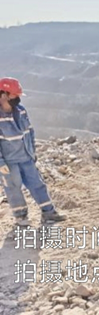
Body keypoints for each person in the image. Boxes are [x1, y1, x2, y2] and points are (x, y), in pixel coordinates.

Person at [0, 77, 66, 226]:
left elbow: (30, 132)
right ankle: (21, 218)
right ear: (3, 94)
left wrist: (32, 152)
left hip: (26, 157)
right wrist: (1, 162)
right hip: (9, 162)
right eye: (14, 95)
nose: (17, 98)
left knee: (37, 184)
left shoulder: (21, 111)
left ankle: (49, 213)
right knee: (13, 189)